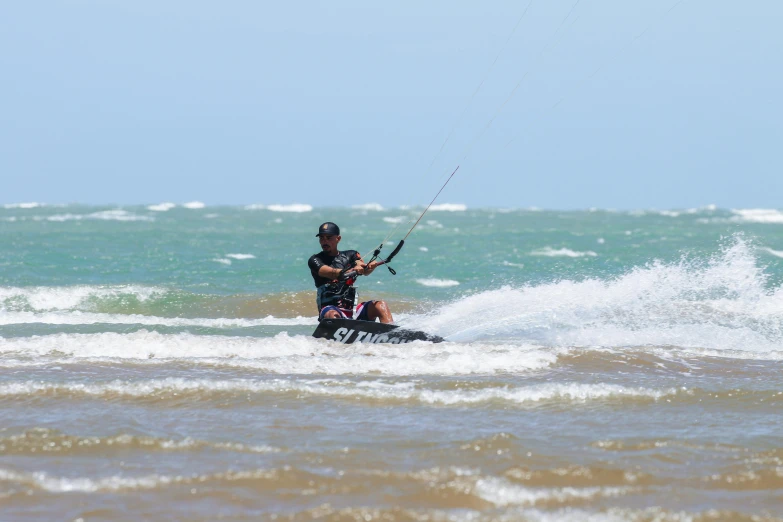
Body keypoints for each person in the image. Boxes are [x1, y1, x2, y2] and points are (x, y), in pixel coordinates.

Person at [308, 222, 394, 324]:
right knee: (333, 315)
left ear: (338, 238)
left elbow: (362, 267)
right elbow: (329, 272)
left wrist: (369, 266)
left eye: (329, 237)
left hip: (353, 311)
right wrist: (349, 271)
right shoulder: (315, 260)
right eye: (321, 238)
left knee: (380, 306)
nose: (324, 241)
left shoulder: (351, 254)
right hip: (330, 310)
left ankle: (391, 334)